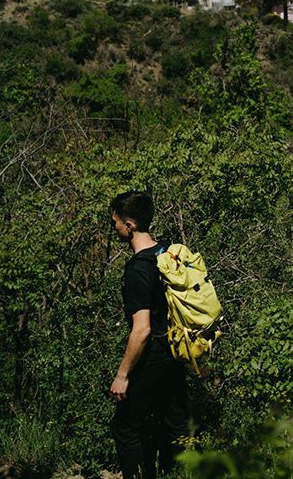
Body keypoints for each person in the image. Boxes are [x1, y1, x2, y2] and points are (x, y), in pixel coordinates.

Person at [108, 191, 188, 479]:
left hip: (153, 352)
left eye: (115, 222)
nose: (114, 227)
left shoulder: (138, 270)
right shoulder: (167, 253)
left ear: (129, 225)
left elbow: (141, 330)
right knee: (176, 422)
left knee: (125, 427)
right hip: (176, 350)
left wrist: (123, 375)